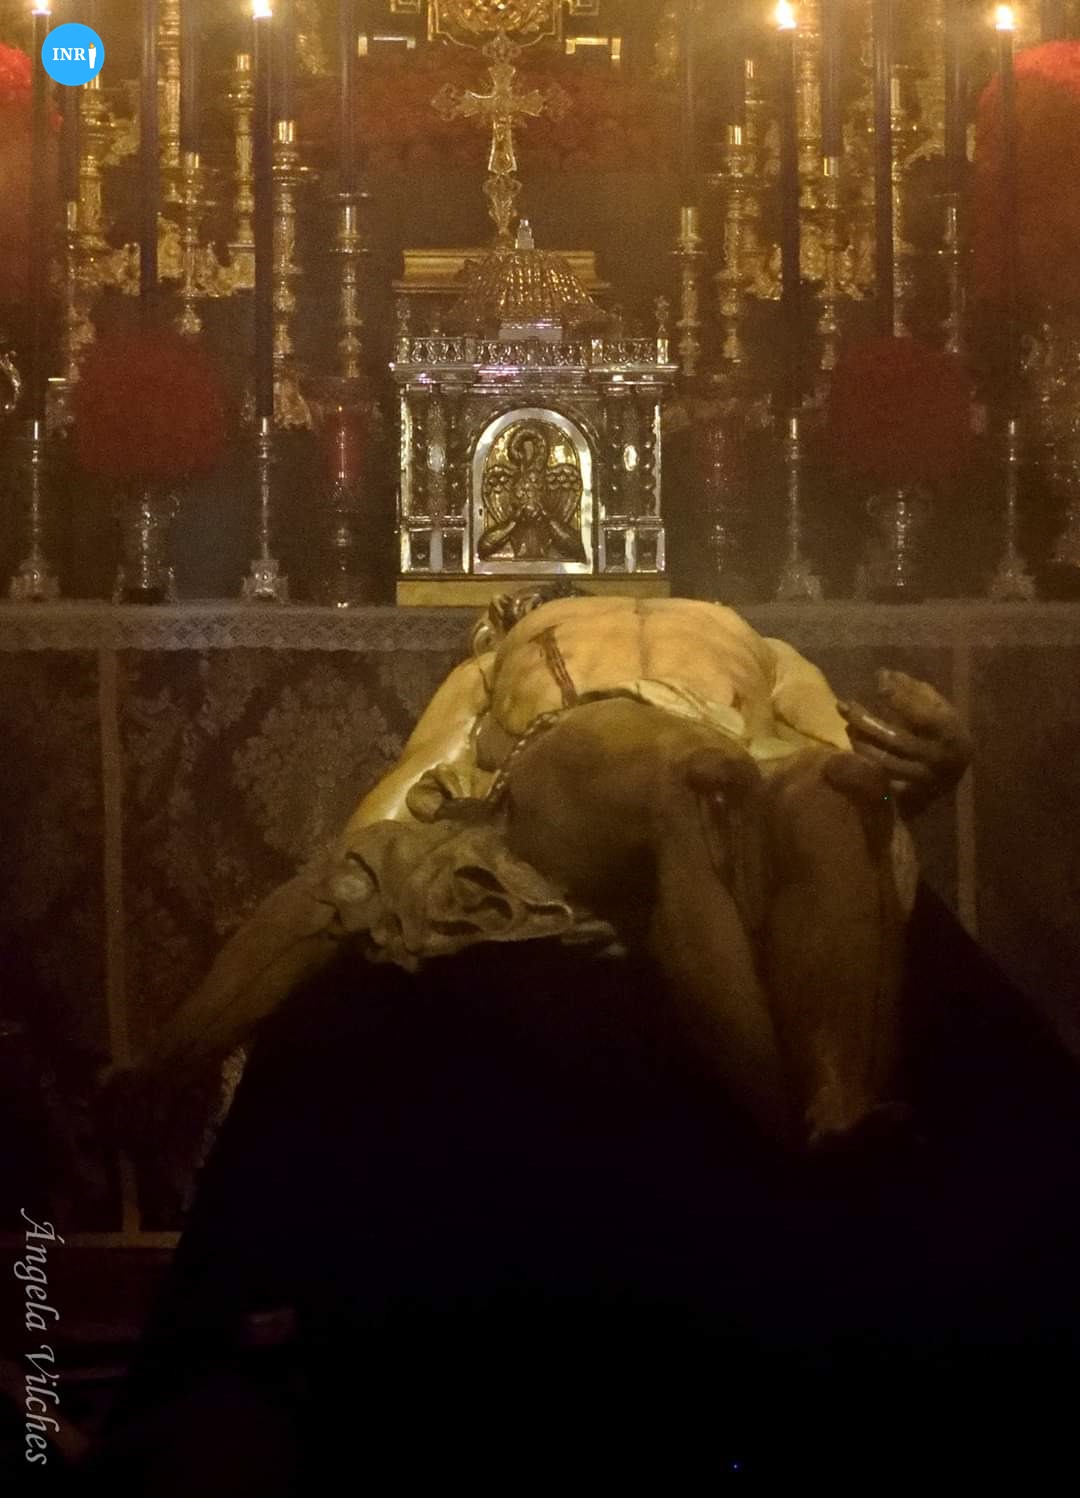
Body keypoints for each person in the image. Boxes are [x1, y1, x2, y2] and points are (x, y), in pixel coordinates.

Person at [111, 589, 970, 1151]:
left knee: (830, 792)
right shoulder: (497, 656)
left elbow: (845, 752)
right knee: (677, 772)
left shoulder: (765, 648)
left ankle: (841, 1113)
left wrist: (926, 768)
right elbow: (411, 785)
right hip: (583, 743)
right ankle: (786, 1141)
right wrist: (377, 863)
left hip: (736, 749)